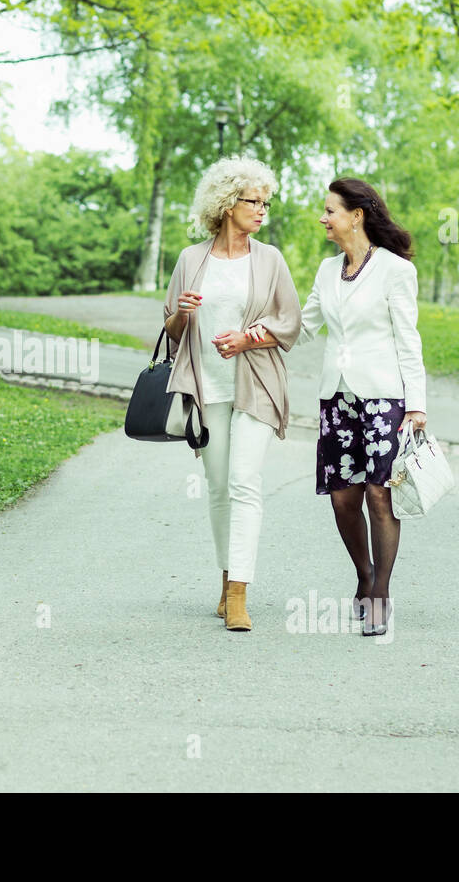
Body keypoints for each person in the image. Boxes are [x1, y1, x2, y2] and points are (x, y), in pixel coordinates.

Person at [162, 156, 302, 632]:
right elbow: (172, 330)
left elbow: (290, 323)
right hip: (208, 389)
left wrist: (248, 338)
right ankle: (226, 580)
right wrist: (181, 313)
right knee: (219, 489)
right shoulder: (191, 259)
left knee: (244, 482)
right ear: (226, 204)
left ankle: (240, 592)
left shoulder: (271, 260)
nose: (262, 210)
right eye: (253, 201)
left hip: (257, 386)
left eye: (267, 202)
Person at [294, 177, 427, 636]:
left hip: (384, 397)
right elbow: (302, 326)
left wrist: (417, 406)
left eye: (330, 210)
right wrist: (254, 335)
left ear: (357, 215)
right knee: (343, 498)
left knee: (378, 493)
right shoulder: (327, 271)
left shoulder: (395, 271)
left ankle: (381, 593)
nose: (323, 217)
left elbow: (409, 340)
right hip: (338, 397)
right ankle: (363, 574)